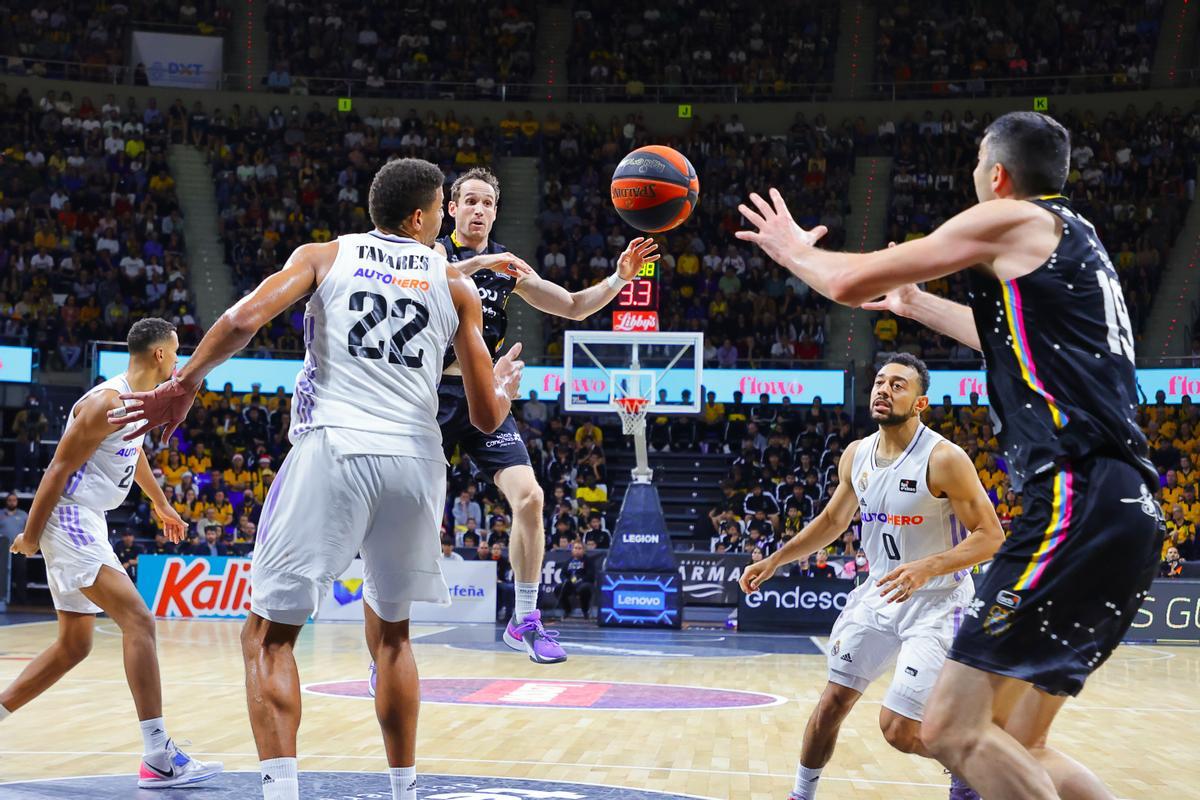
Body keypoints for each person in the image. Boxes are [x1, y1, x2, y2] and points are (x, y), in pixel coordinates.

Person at [738, 111, 1164, 799]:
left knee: (949, 730)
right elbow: (1009, 347)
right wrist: (917, 307)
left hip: (1075, 499)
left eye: (974, 167)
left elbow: (848, 284)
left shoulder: (1011, 218)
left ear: (996, 175)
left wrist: (791, 250)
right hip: (1129, 509)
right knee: (1018, 743)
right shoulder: (1080, 246)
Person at [114, 159, 523, 800]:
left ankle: (282, 792)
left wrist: (183, 383)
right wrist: (499, 386)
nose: (447, 220)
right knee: (393, 636)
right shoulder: (455, 285)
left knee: (269, 637)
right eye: (444, 209)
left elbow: (244, 320)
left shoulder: (323, 257)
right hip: (417, 463)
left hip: (335, 448)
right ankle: (403, 789)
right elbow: (482, 415)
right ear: (420, 217)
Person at [424, 166, 659, 665]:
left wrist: (620, 277)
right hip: (429, 400)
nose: (479, 210)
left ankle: (525, 620)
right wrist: (490, 261)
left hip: (482, 398)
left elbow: (573, 306)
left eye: (488, 203)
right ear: (451, 209)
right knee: (413, 514)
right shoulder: (437, 252)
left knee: (530, 497)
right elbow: (432, 278)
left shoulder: (505, 268)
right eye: (470, 201)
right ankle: (389, 643)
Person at [741, 356, 1003, 800]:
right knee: (831, 704)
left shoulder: (944, 458)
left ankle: (970, 767)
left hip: (938, 601)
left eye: (898, 385)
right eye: (879, 382)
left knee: (899, 729)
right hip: (879, 595)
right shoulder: (856, 454)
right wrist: (776, 560)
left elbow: (991, 536)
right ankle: (800, 796)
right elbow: (832, 520)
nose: (883, 389)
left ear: (920, 401)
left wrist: (927, 567)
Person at [1, 318, 221, 788]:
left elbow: (131, 451)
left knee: (74, 645)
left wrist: (161, 502)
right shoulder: (107, 401)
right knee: (139, 620)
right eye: (176, 351)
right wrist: (33, 535)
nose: (179, 360)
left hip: (88, 518)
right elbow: (57, 470)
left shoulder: (135, 404)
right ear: (159, 354)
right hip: (70, 515)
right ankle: (159, 755)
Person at [558, 541, 595, 618]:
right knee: (559, 588)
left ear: (583, 550)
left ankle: (585, 611)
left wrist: (579, 580)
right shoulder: (568, 561)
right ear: (572, 550)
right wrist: (566, 580)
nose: (577, 550)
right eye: (575, 548)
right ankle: (567, 610)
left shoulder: (588, 561)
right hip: (570, 584)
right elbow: (562, 574)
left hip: (583, 583)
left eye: (579, 548)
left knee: (585, 588)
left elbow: (591, 575)